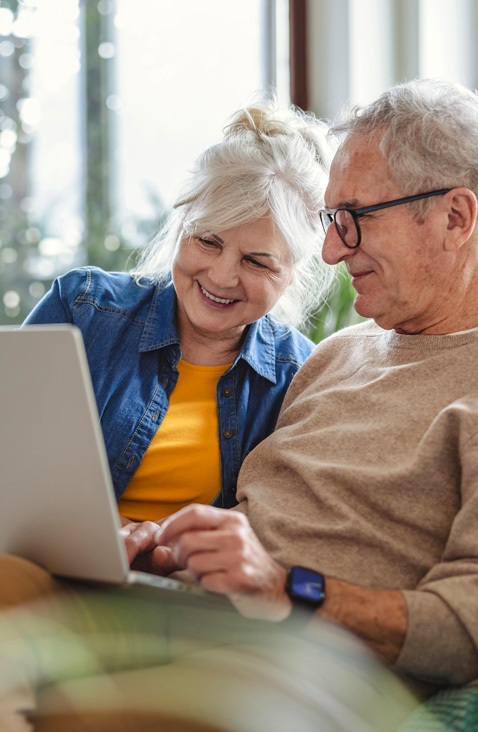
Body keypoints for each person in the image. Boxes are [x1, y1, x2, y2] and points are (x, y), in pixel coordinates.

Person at [3, 77, 478, 730]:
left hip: (302, 658)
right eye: (331, 221)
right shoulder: (337, 356)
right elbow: (254, 518)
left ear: (456, 217)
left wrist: (287, 589)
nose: (333, 252)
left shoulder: (296, 362)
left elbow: (464, 626)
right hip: (183, 606)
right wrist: (177, 546)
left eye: (354, 219)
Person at [23, 99, 333, 522]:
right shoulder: (82, 309)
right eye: (208, 240)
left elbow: (285, 526)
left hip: (189, 585)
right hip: (45, 560)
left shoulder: (301, 376)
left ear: (293, 272)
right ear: (182, 225)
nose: (222, 277)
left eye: (256, 261)